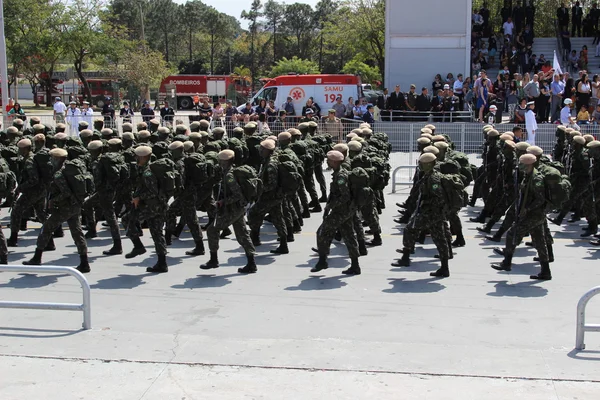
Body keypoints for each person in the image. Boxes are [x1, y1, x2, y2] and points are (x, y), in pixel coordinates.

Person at [23, 148, 90, 273]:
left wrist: (52, 201)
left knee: (46, 229)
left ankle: (37, 257)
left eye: (52, 158)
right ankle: (84, 262)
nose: (50, 161)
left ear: (56, 159)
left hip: (65, 207)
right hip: (75, 205)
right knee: (77, 233)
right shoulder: (71, 169)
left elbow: (66, 193)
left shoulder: (59, 174)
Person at [491, 153, 552, 281]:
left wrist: (527, 209)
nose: (520, 166)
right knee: (540, 241)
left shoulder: (536, 179)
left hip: (534, 214)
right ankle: (546, 271)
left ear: (529, 164)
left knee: (512, 233)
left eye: (522, 164)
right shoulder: (528, 176)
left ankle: (506, 262)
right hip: (535, 214)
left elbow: (540, 199)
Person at [200, 149, 256, 274]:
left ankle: (213, 260)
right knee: (243, 234)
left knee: (212, 230)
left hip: (233, 209)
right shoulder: (230, 172)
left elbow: (238, 195)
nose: (219, 162)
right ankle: (251, 263)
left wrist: (222, 202)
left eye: (220, 160)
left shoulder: (229, 176)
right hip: (238, 208)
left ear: (225, 161)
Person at [311, 150, 361, 275]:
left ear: (334, 161)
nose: (327, 162)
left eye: (328, 160)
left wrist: (331, 205)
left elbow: (345, 196)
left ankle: (322, 261)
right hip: (347, 210)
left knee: (322, 232)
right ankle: (355, 265)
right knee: (349, 235)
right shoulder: (339, 173)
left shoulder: (341, 176)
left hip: (341, 211)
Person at [125, 145, 169, 273]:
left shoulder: (148, 172)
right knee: (157, 233)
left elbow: (153, 192)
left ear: (143, 157)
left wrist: (139, 197)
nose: (136, 158)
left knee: (127, 219)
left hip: (152, 206)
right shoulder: (146, 169)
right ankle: (162, 263)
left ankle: (138, 246)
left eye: (137, 156)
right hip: (158, 206)